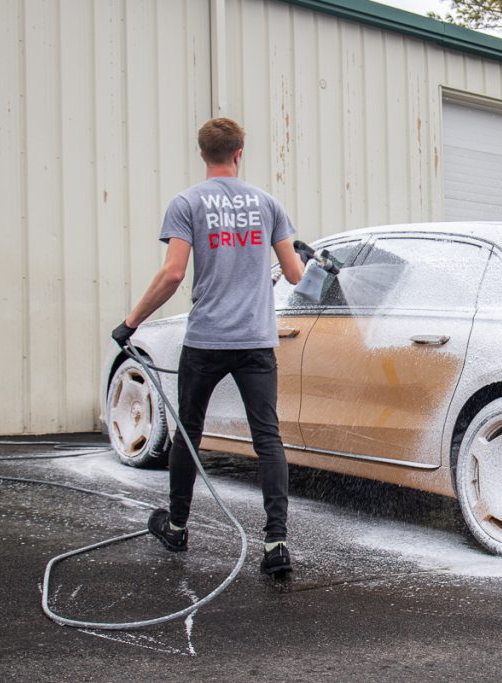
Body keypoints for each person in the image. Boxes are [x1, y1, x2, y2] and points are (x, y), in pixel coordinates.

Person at [110, 117, 307, 575]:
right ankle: (276, 544)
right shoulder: (267, 204)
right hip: (257, 341)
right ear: (240, 152)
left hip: (206, 339)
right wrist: (306, 258)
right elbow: (296, 276)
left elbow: (173, 273)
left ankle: (177, 528)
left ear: (202, 153)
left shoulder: (186, 203)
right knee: (268, 438)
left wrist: (131, 322)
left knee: (189, 435)